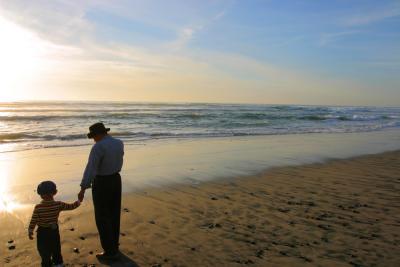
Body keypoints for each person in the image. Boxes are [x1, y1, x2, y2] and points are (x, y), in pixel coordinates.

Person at [78, 122, 124, 261]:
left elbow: (91, 168)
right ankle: (114, 246)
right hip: (116, 179)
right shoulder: (119, 143)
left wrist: (83, 188)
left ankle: (109, 252)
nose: (93, 139)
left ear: (98, 134)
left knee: (102, 217)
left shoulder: (98, 147)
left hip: (102, 182)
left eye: (93, 136)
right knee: (114, 214)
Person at [29, 180, 81, 267]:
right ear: (55, 192)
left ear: (40, 195)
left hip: (42, 232)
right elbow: (71, 206)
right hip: (54, 231)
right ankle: (58, 263)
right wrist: (79, 201)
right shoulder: (58, 204)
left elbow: (33, 220)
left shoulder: (38, 207)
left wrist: (30, 230)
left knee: (43, 251)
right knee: (56, 248)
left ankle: (46, 264)